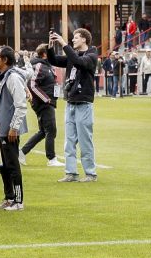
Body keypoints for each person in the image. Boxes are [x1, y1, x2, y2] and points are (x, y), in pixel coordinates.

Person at [49, 28, 98, 182]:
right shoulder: (73, 55)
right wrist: (50, 46)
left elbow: (79, 62)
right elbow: (54, 60)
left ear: (84, 39)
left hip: (84, 103)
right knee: (69, 141)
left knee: (85, 140)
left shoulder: (91, 55)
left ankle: (90, 173)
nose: (72, 40)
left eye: (76, 38)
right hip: (71, 102)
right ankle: (71, 173)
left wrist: (64, 44)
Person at [0, 46, 29, 210]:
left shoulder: (13, 77)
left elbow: (21, 105)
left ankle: (18, 200)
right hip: (0, 128)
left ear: (5, 60)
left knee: (12, 164)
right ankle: (9, 197)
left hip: (8, 129)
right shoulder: (1, 77)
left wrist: (14, 127)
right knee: (3, 165)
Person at [21, 44, 61, 167]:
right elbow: (32, 84)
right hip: (43, 103)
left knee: (43, 131)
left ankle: (21, 152)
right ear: (44, 54)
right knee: (51, 130)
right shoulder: (40, 66)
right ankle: (51, 158)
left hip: (46, 102)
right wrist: (46, 99)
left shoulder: (46, 66)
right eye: (50, 52)